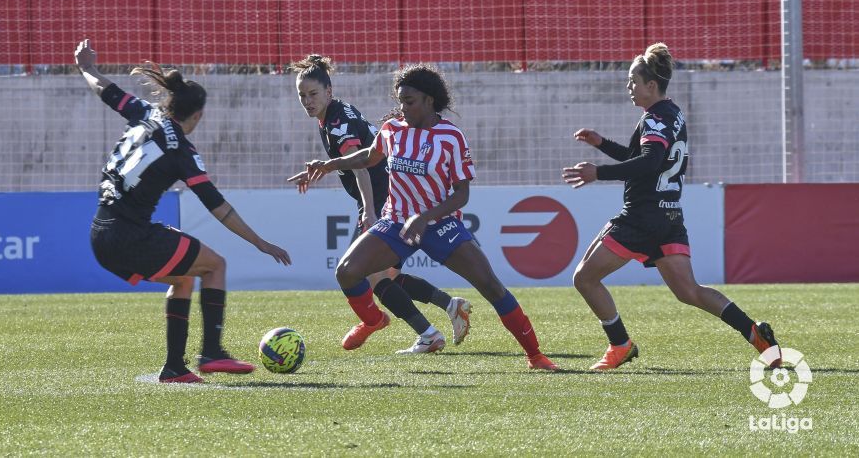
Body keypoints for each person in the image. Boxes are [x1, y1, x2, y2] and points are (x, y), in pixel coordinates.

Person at [303, 63, 558, 370]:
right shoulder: (392, 129)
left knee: (491, 287)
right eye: (400, 101)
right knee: (346, 271)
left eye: (408, 102)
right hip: (396, 221)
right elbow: (371, 155)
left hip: (440, 225)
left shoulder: (451, 137)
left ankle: (536, 356)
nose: (402, 108)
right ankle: (374, 321)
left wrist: (425, 217)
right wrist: (330, 165)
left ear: (429, 100)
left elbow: (462, 194)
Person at [76, 39, 291, 383]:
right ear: (198, 115)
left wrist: (87, 67)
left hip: (101, 234)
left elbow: (107, 90)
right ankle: (212, 353)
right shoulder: (183, 152)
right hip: (131, 236)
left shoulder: (145, 112)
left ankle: (175, 368)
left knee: (183, 277)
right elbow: (218, 207)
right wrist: (260, 242)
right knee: (215, 266)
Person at [561, 42, 783, 370]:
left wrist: (598, 173)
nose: (629, 87)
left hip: (641, 217)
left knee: (585, 278)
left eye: (633, 81)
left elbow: (649, 162)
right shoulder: (672, 113)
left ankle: (620, 344)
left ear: (652, 85)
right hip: (669, 215)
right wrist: (602, 144)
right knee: (690, 292)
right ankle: (755, 333)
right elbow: (644, 159)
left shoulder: (654, 120)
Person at [286, 55, 471, 353]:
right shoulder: (336, 113)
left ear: (329, 92)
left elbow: (361, 165)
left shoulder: (336, 123)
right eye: (302, 96)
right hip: (390, 197)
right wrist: (324, 170)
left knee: (369, 274)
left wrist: (370, 212)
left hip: (386, 200)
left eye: (313, 94)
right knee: (387, 275)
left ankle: (427, 333)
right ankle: (449, 306)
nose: (307, 101)